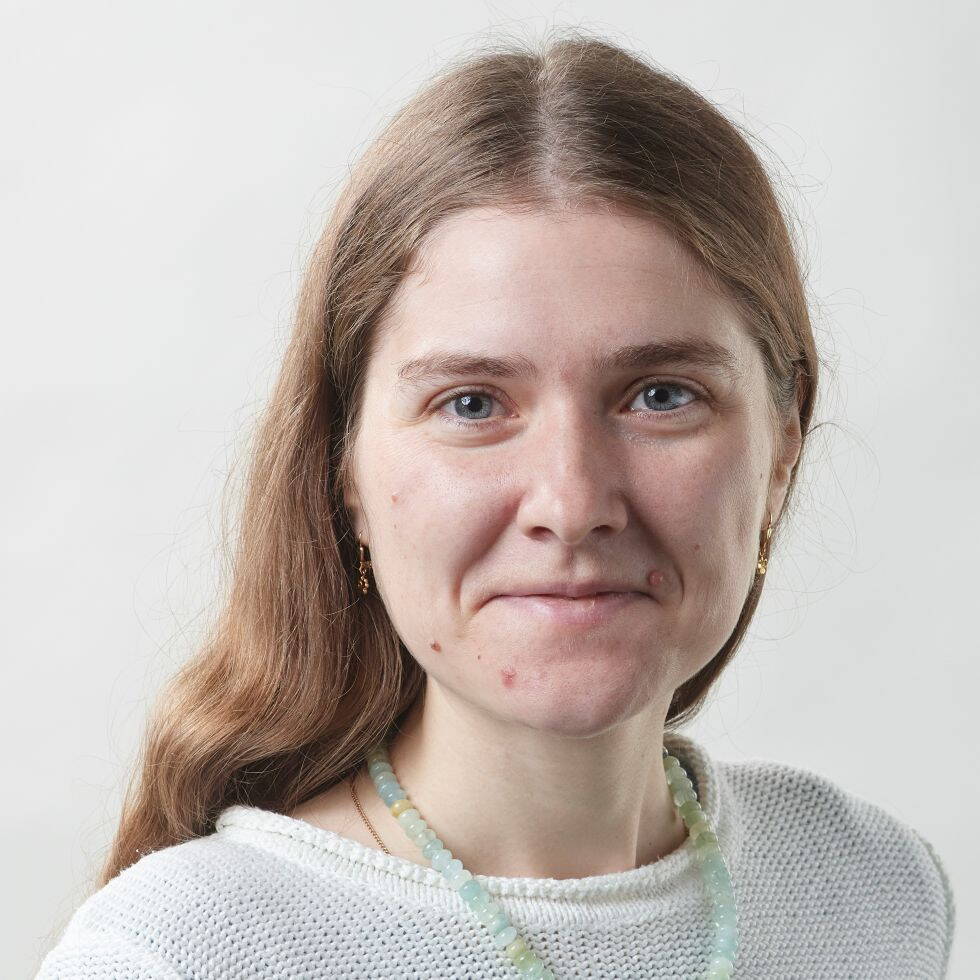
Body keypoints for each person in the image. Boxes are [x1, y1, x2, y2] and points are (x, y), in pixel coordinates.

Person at [37, 28, 954, 980]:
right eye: (471, 404)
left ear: (782, 449)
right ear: (345, 473)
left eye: (660, 395)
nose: (572, 503)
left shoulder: (873, 895)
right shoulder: (176, 956)